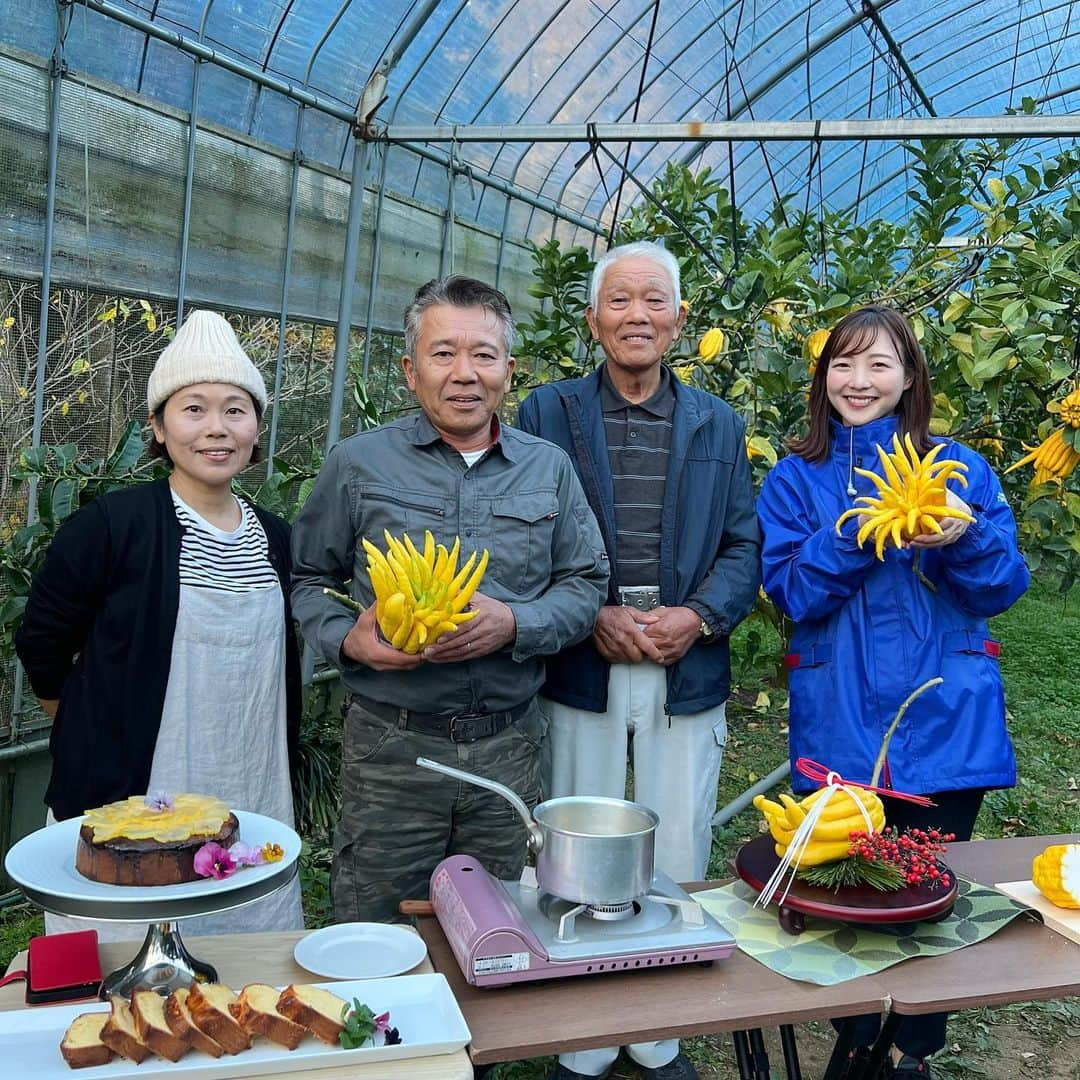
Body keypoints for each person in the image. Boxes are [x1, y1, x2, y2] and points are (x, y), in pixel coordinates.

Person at [757, 305, 1029, 1079]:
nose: (858, 380)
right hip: (841, 718)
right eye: (842, 364)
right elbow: (791, 595)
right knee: (846, 886)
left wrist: (964, 535)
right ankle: (853, 1034)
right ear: (823, 379)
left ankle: (911, 1051)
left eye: (879, 364)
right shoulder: (794, 479)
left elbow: (1002, 586)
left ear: (909, 376)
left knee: (933, 889)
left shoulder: (960, 470)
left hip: (947, 716)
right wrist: (854, 527)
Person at [290, 274, 608, 925]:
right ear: (411, 370)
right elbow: (304, 579)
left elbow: (586, 583)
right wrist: (349, 639)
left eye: (483, 355)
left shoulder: (547, 469)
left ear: (509, 370)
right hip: (391, 751)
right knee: (379, 931)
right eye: (443, 354)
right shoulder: (358, 465)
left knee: (502, 929)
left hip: (508, 749)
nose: (465, 373)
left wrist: (516, 623)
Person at [517, 240, 761, 1080]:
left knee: (679, 834)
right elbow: (525, 530)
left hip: (681, 661)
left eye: (654, 301)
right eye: (619, 302)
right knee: (576, 835)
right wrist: (592, 614)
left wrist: (699, 615)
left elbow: (742, 540)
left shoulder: (717, 423)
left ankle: (658, 1032)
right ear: (593, 319)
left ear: (680, 319)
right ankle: (583, 1040)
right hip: (585, 660)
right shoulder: (547, 412)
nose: (637, 316)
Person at [16, 310, 305, 938]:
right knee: (124, 965)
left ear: (256, 428)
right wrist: (78, 720)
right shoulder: (112, 526)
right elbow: (40, 637)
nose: (216, 429)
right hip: (135, 793)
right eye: (193, 409)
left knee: (243, 952)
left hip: (249, 777)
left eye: (236, 409)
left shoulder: (278, 541)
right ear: (158, 425)